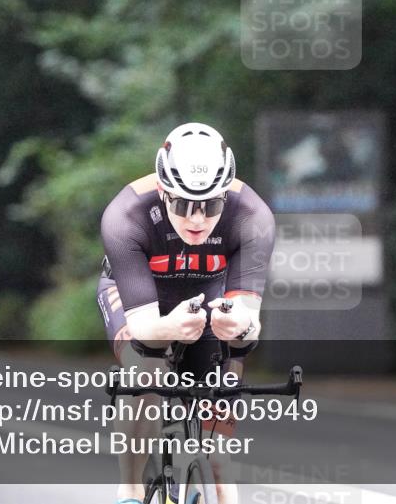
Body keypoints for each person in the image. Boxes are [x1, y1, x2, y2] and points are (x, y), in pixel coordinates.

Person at [98, 122, 275, 504]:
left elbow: (249, 324)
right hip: (138, 299)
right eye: (182, 204)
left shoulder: (252, 216)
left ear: (226, 195)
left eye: (211, 205)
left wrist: (238, 324)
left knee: (226, 379)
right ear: (162, 191)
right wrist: (168, 327)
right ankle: (129, 488)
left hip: (207, 296)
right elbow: (145, 329)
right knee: (144, 370)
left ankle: (213, 483)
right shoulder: (125, 215)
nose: (197, 219)